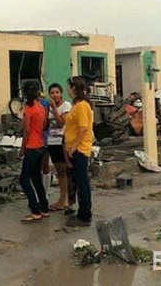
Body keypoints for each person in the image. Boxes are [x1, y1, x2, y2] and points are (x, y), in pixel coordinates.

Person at [64, 76, 93, 227]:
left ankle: (84, 215)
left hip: (80, 149)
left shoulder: (82, 106)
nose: (67, 90)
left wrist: (74, 145)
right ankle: (82, 212)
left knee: (82, 182)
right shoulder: (76, 105)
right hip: (73, 148)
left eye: (68, 87)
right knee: (78, 181)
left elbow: (83, 128)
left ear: (74, 88)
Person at [19, 81, 49, 222]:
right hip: (41, 145)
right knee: (36, 178)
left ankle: (35, 209)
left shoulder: (28, 109)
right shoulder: (41, 107)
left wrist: (22, 148)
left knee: (24, 180)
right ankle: (44, 208)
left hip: (31, 146)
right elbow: (43, 125)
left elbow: (26, 131)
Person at [46, 83, 72, 211]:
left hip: (62, 142)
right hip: (51, 142)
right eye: (52, 92)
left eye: (57, 92)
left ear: (61, 93)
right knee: (59, 172)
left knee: (63, 172)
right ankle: (62, 199)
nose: (55, 95)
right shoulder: (48, 108)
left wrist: (54, 109)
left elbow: (62, 123)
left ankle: (64, 199)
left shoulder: (66, 106)